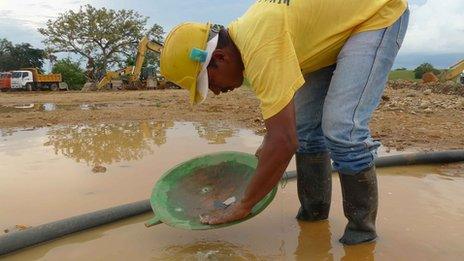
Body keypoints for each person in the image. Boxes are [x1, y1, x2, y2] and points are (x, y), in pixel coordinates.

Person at [160, 0, 409, 245]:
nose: (214, 91)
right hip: (333, 32)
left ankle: (361, 236)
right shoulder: (249, 43)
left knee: (343, 130)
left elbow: (284, 141)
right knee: (306, 131)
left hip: (375, 15)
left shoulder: (260, 46)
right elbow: (283, 131)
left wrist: (243, 205)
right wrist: (270, 144)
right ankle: (314, 217)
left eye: (209, 82)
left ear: (221, 57)